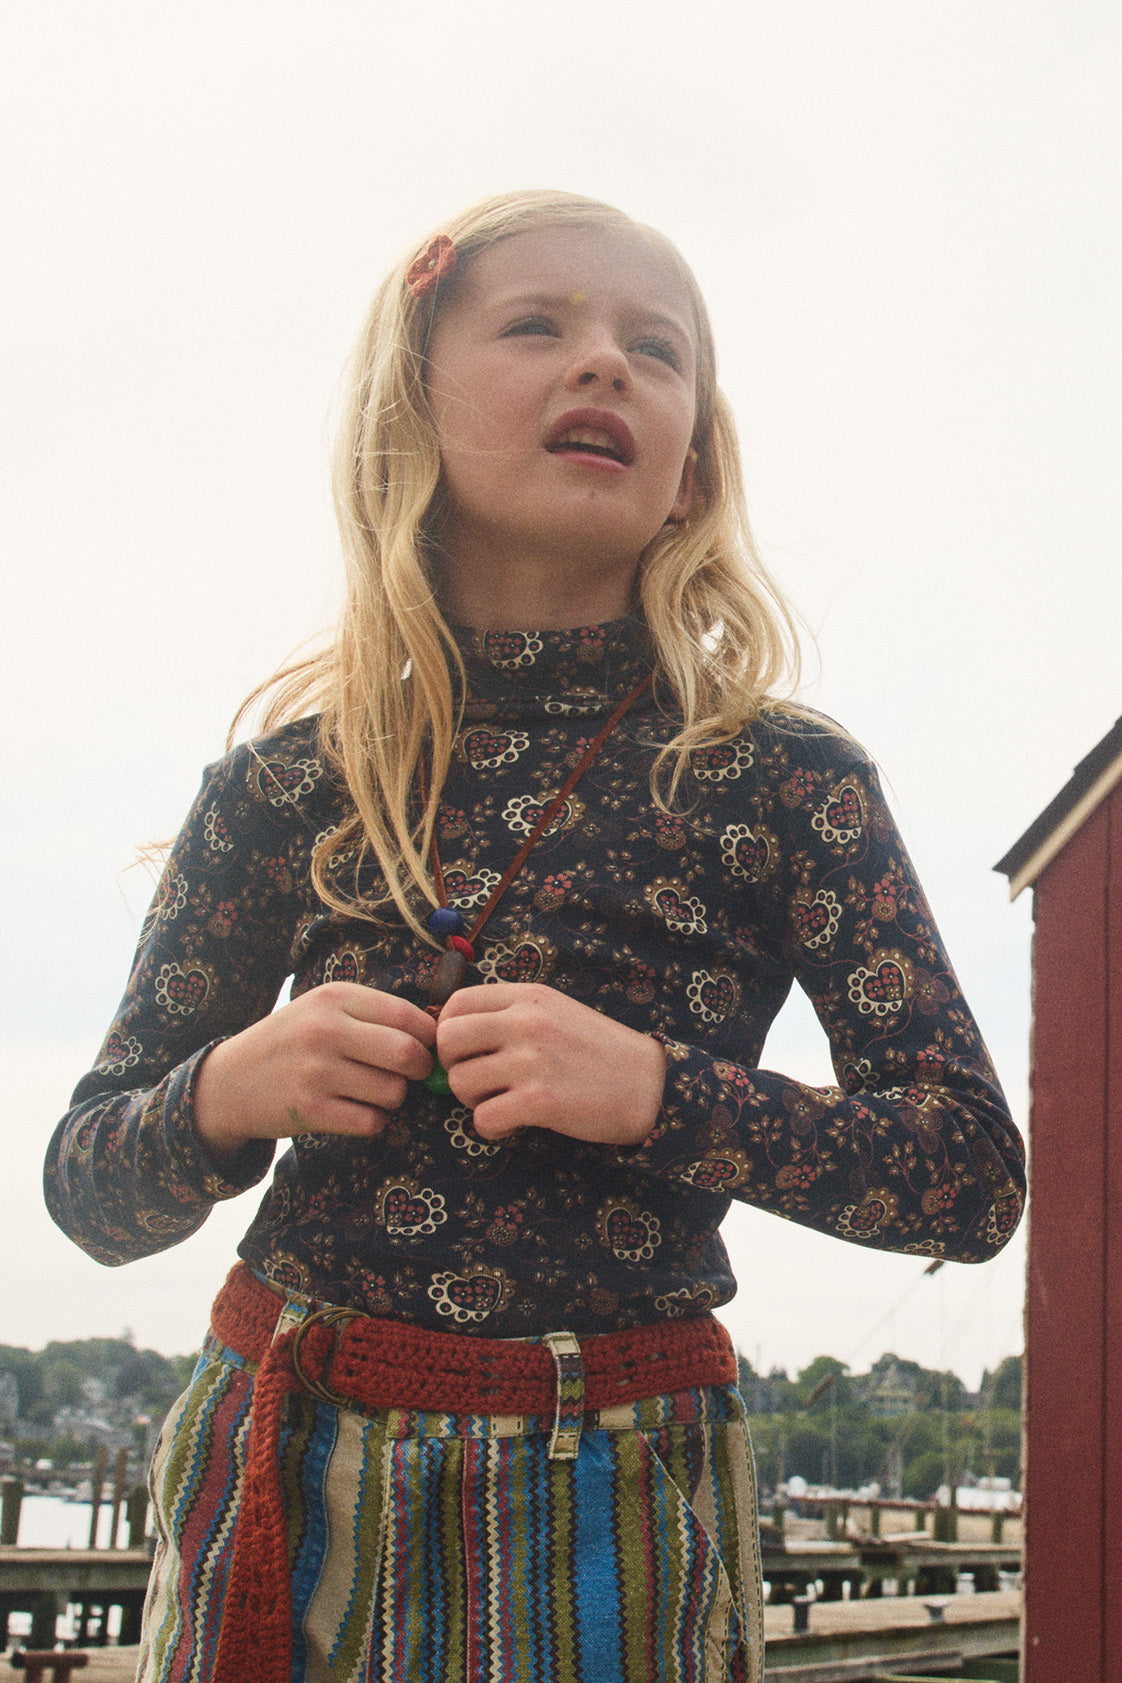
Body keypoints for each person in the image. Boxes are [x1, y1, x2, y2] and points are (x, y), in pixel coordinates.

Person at [44, 190, 1025, 1683]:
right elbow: (91, 1195)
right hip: (286, 1436)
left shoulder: (786, 780)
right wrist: (225, 1094)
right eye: (536, 326)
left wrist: (659, 1096)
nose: (605, 363)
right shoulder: (283, 785)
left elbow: (968, 1179)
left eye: (655, 348)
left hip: (619, 1481)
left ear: (693, 471)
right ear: (409, 414)